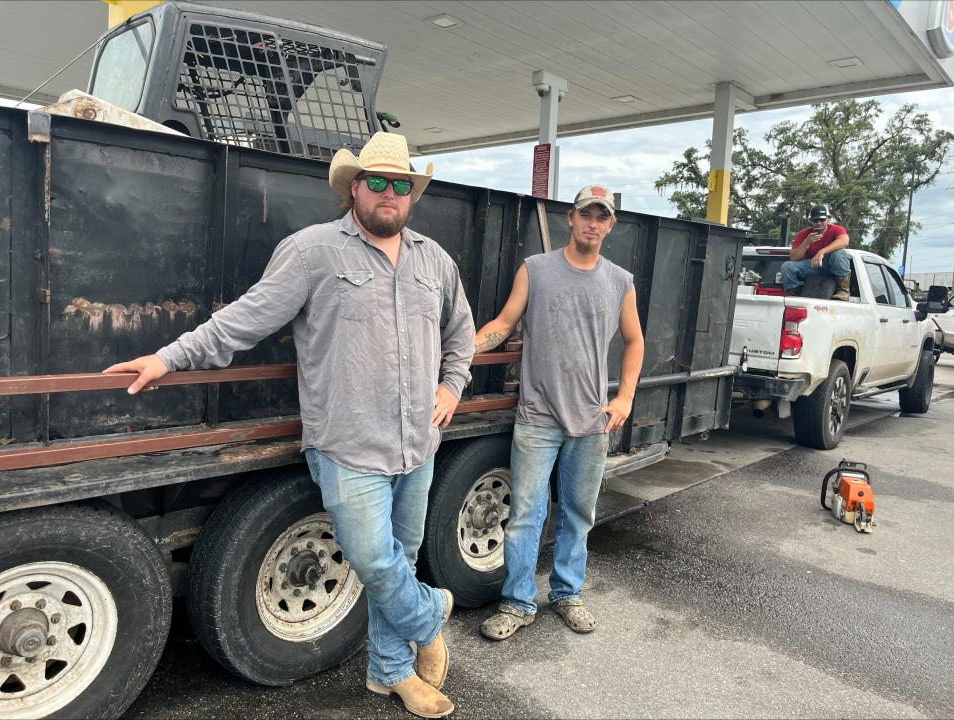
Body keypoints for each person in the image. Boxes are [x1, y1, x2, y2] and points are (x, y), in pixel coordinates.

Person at [103, 132, 474, 719]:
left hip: (418, 441)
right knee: (375, 561)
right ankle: (428, 615)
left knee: (397, 556)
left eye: (399, 184)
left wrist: (452, 387)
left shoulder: (435, 260)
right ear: (354, 187)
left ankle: (389, 672)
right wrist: (167, 357)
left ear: (413, 194)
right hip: (347, 445)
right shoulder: (312, 251)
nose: (388, 193)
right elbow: (244, 320)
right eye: (376, 181)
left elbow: (460, 335)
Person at [474, 184, 644, 641]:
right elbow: (503, 324)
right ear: (571, 218)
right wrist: (461, 351)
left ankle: (568, 594)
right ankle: (517, 602)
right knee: (525, 515)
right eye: (586, 214)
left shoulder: (619, 281)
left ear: (610, 226)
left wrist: (625, 397)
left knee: (578, 514)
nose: (593, 223)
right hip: (537, 417)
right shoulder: (536, 269)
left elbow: (635, 341)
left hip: (592, 420)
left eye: (602, 217)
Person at [781, 205, 852, 300]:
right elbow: (794, 258)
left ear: (828, 219)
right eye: (815, 220)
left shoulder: (837, 229)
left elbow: (844, 241)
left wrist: (821, 252)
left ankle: (843, 290)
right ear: (811, 221)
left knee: (839, 254)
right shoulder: (803, 234)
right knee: (787, 266)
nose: (819, 223)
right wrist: (806, 242)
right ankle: (793, 294)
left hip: (830, 265)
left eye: (822, 220)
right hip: (813, 266)